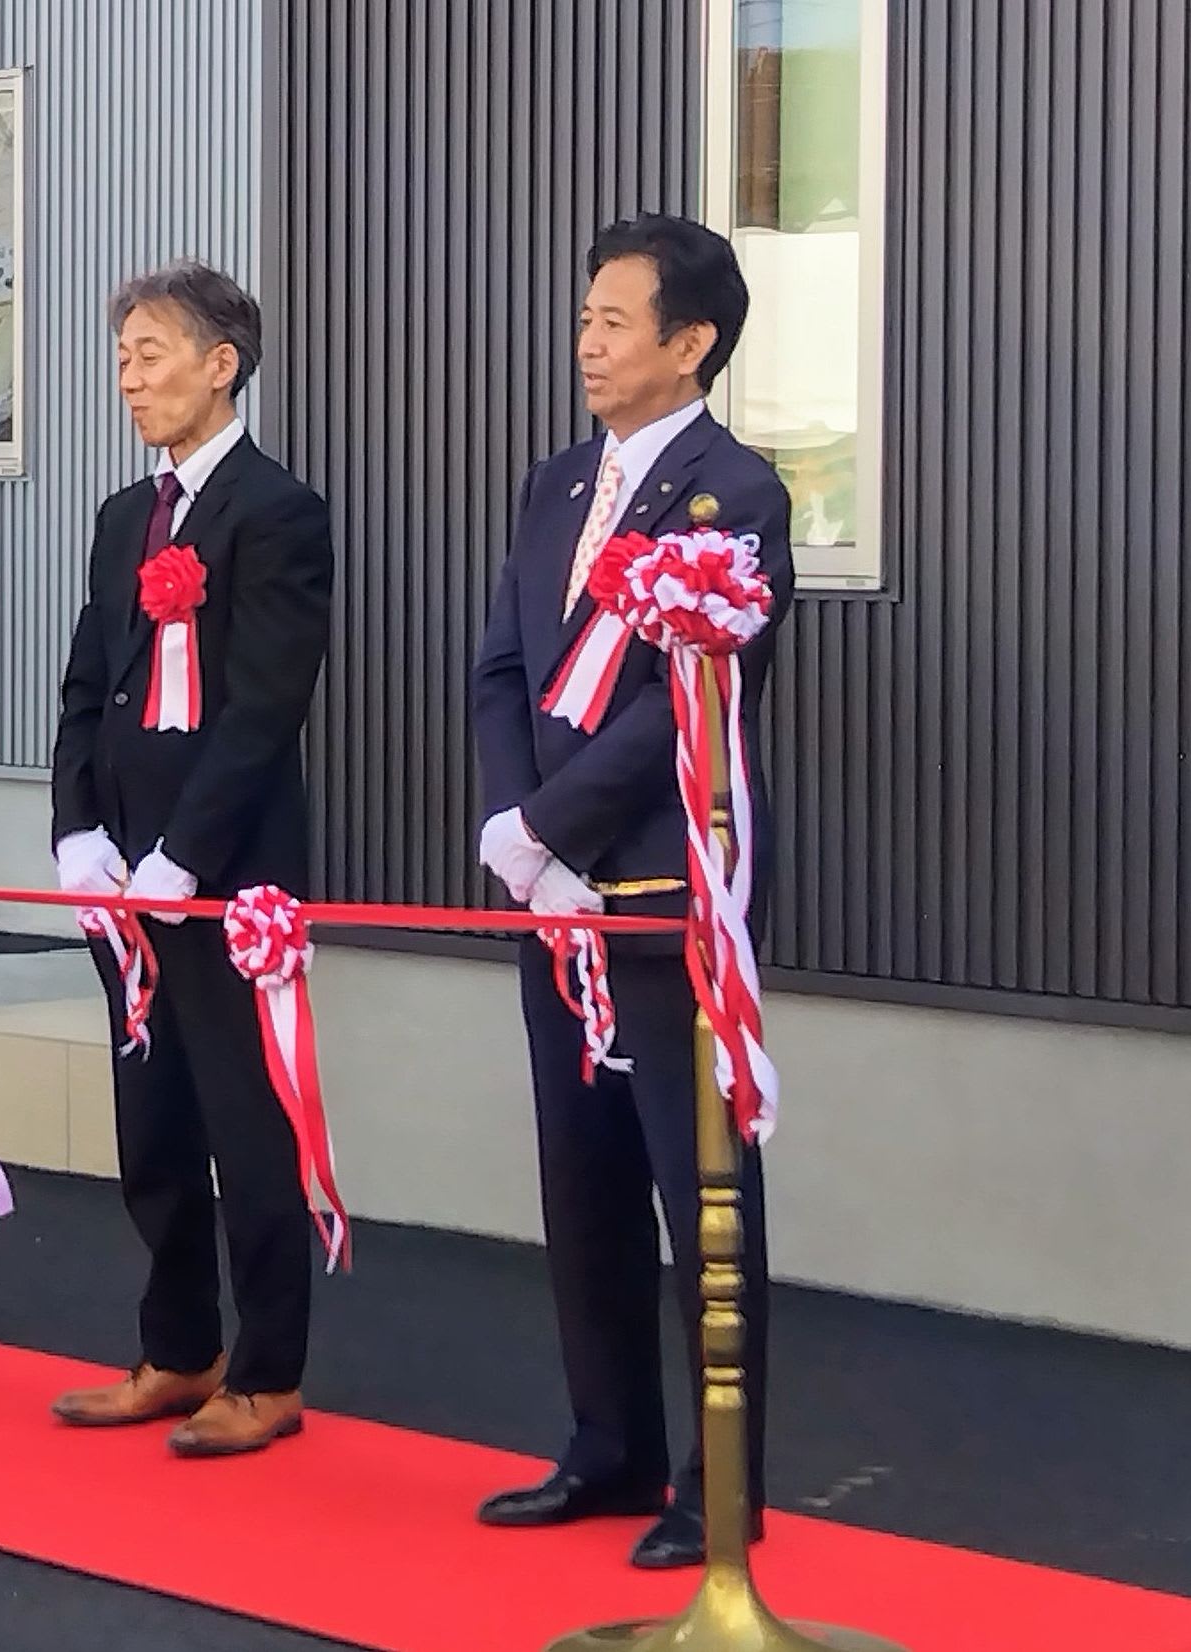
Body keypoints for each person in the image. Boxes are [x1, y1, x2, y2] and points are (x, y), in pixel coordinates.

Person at [468, 214, 795, 1569]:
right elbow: (503, 664)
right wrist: (514, 827)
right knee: (582, 1175)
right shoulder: (557, 483)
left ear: (691, 341)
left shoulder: (737, 493)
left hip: (662, 888)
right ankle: (607, 1443)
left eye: (615, 321)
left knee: (695, 1184)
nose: (588, 343)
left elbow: (687, 700)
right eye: (585, 318)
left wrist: (551, 823)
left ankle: (720, 1483)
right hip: (550, 894)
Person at [46, 260, 335, 1457]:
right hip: (125, 876)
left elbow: (265, 705)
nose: (129, 377)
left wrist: (187, 855)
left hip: (226, 879)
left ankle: (269, 1371)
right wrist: (78, 828)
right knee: (151, 1119)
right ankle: (177, 1345)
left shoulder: (278, 511)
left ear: (222, 365)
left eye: (151, 353)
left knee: (245, 1125)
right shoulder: (127, 515)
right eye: (121, 356)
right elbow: (86, 686)